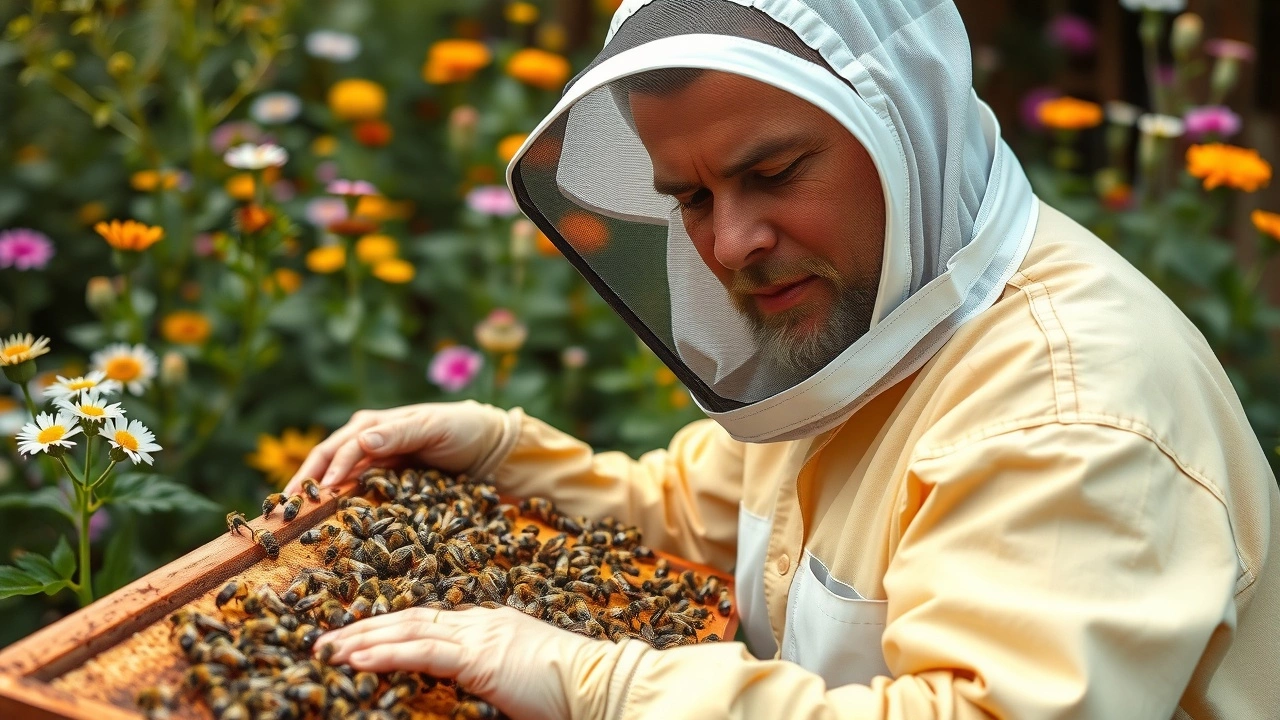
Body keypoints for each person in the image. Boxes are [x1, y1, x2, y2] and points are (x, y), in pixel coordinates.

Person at [285, 1, 1280, 718]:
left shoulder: (1067, 415)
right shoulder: (877, 309)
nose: (729, 244)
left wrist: (605, 686)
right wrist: (502, 453)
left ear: (900, 124)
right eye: (691, 198)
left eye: (772, 173)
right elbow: (704, 518)